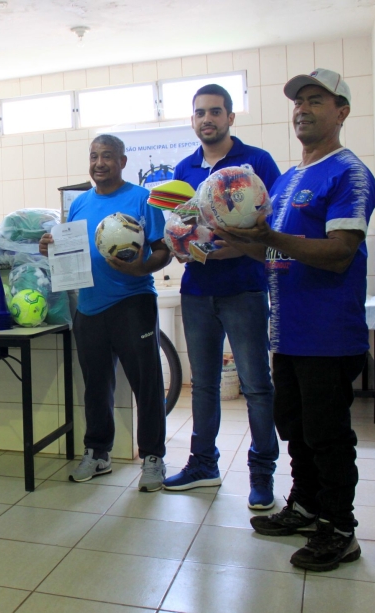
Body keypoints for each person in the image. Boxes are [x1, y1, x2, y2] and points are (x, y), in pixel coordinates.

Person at [219, 68, 375, 572]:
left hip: (328, 333)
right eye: (298, 102)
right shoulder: (287, 181)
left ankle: (340, 529)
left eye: (316, 100)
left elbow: (339, 252)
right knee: (296, 428)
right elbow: (273, 252)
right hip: (286, 334)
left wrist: (269, 237)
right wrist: (227, 240)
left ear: (342, 112)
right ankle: (307, 506)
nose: (303, 109)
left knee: (328, 436)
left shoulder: (349, 174)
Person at [161, 84, 281, 510]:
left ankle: (262, 473)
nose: (207, 119)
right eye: (200, 113)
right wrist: (180, 245)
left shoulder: (257, 162)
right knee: (204, 385)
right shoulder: (184, 169)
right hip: (197, 291)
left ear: (230, 117)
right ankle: (203, 465)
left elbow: (274, 223)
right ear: (193, 121)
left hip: (244, 288)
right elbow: (181, 226)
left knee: (256, 385)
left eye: (215, 111)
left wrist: (241, 247)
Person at [39, 135, 171, 491]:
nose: (99, 163)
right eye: (94, 156)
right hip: (89, 307)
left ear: (122, 162)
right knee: (96, 386)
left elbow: (164, 250)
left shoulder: (143, 199)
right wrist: (49, 248)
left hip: (133, 303)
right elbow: (70, 252)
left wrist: (140, 268)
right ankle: (98, 453)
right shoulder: (80, 204)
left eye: (108, 156)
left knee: (147, 385)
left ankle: (153, 458)